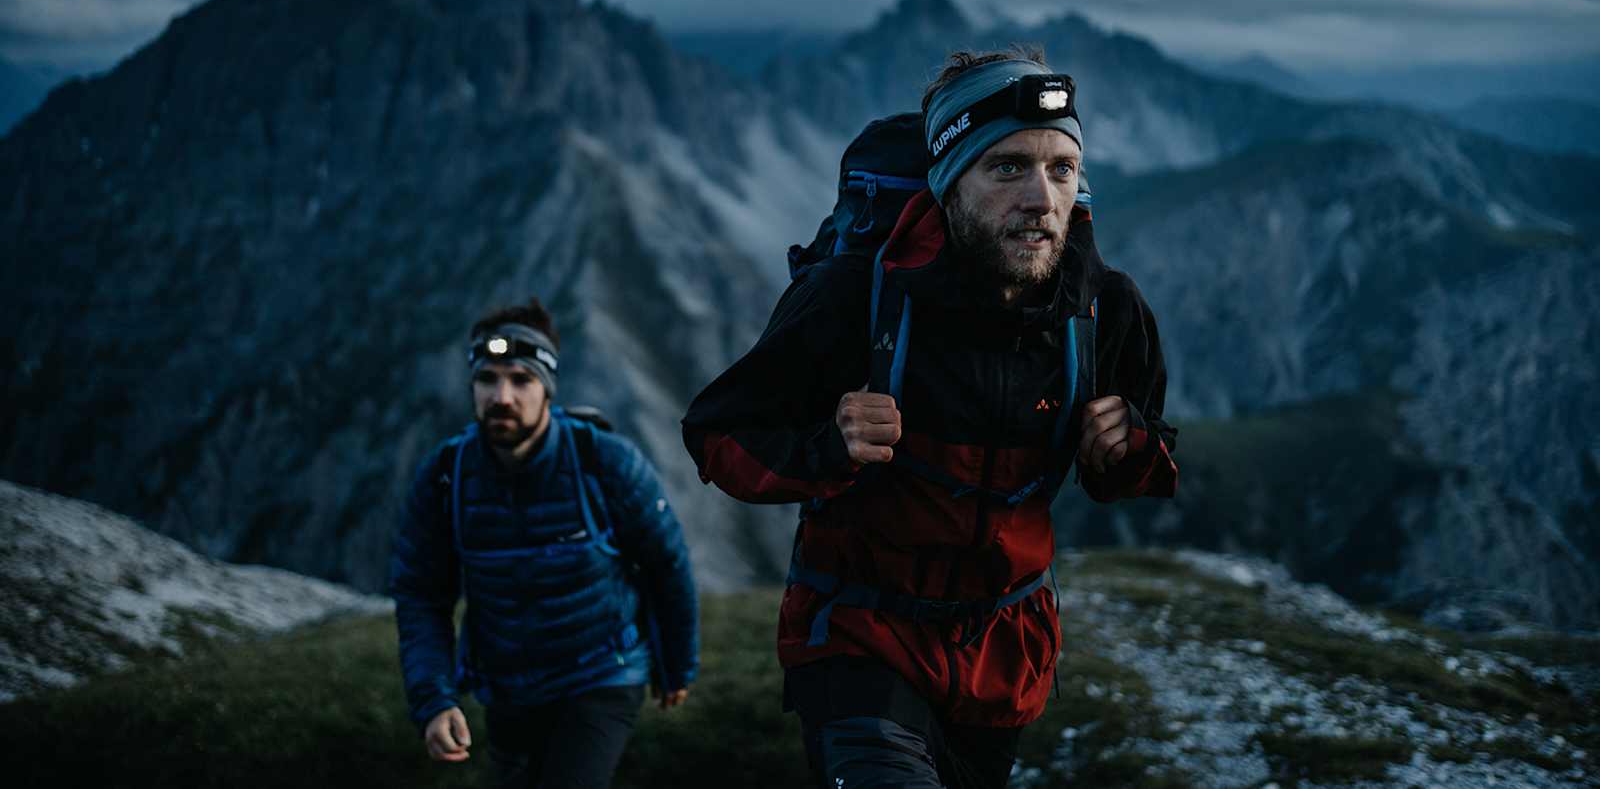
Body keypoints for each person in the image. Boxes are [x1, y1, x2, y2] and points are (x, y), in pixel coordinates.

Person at [682, 49, 1178, 788]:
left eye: (1061, 169)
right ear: (949, 182)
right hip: (860, 640)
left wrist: (1127, 449)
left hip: (1003, 658)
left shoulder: (1103, 308)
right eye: (1007, 167)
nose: (1042, 199)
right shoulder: (855, 296)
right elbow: (717, 435)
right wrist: (829, 447)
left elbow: (1148, 464)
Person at [391, 297, 698, 789]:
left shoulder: (606, 461)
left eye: (521, 379)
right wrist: (435, 700)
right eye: (487, 379)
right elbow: (421, 595)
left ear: (547, 388)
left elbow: (667, 564)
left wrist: (677, 663)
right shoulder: (446, 477)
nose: (502, 396)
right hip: (507, 687)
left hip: (603, 674)